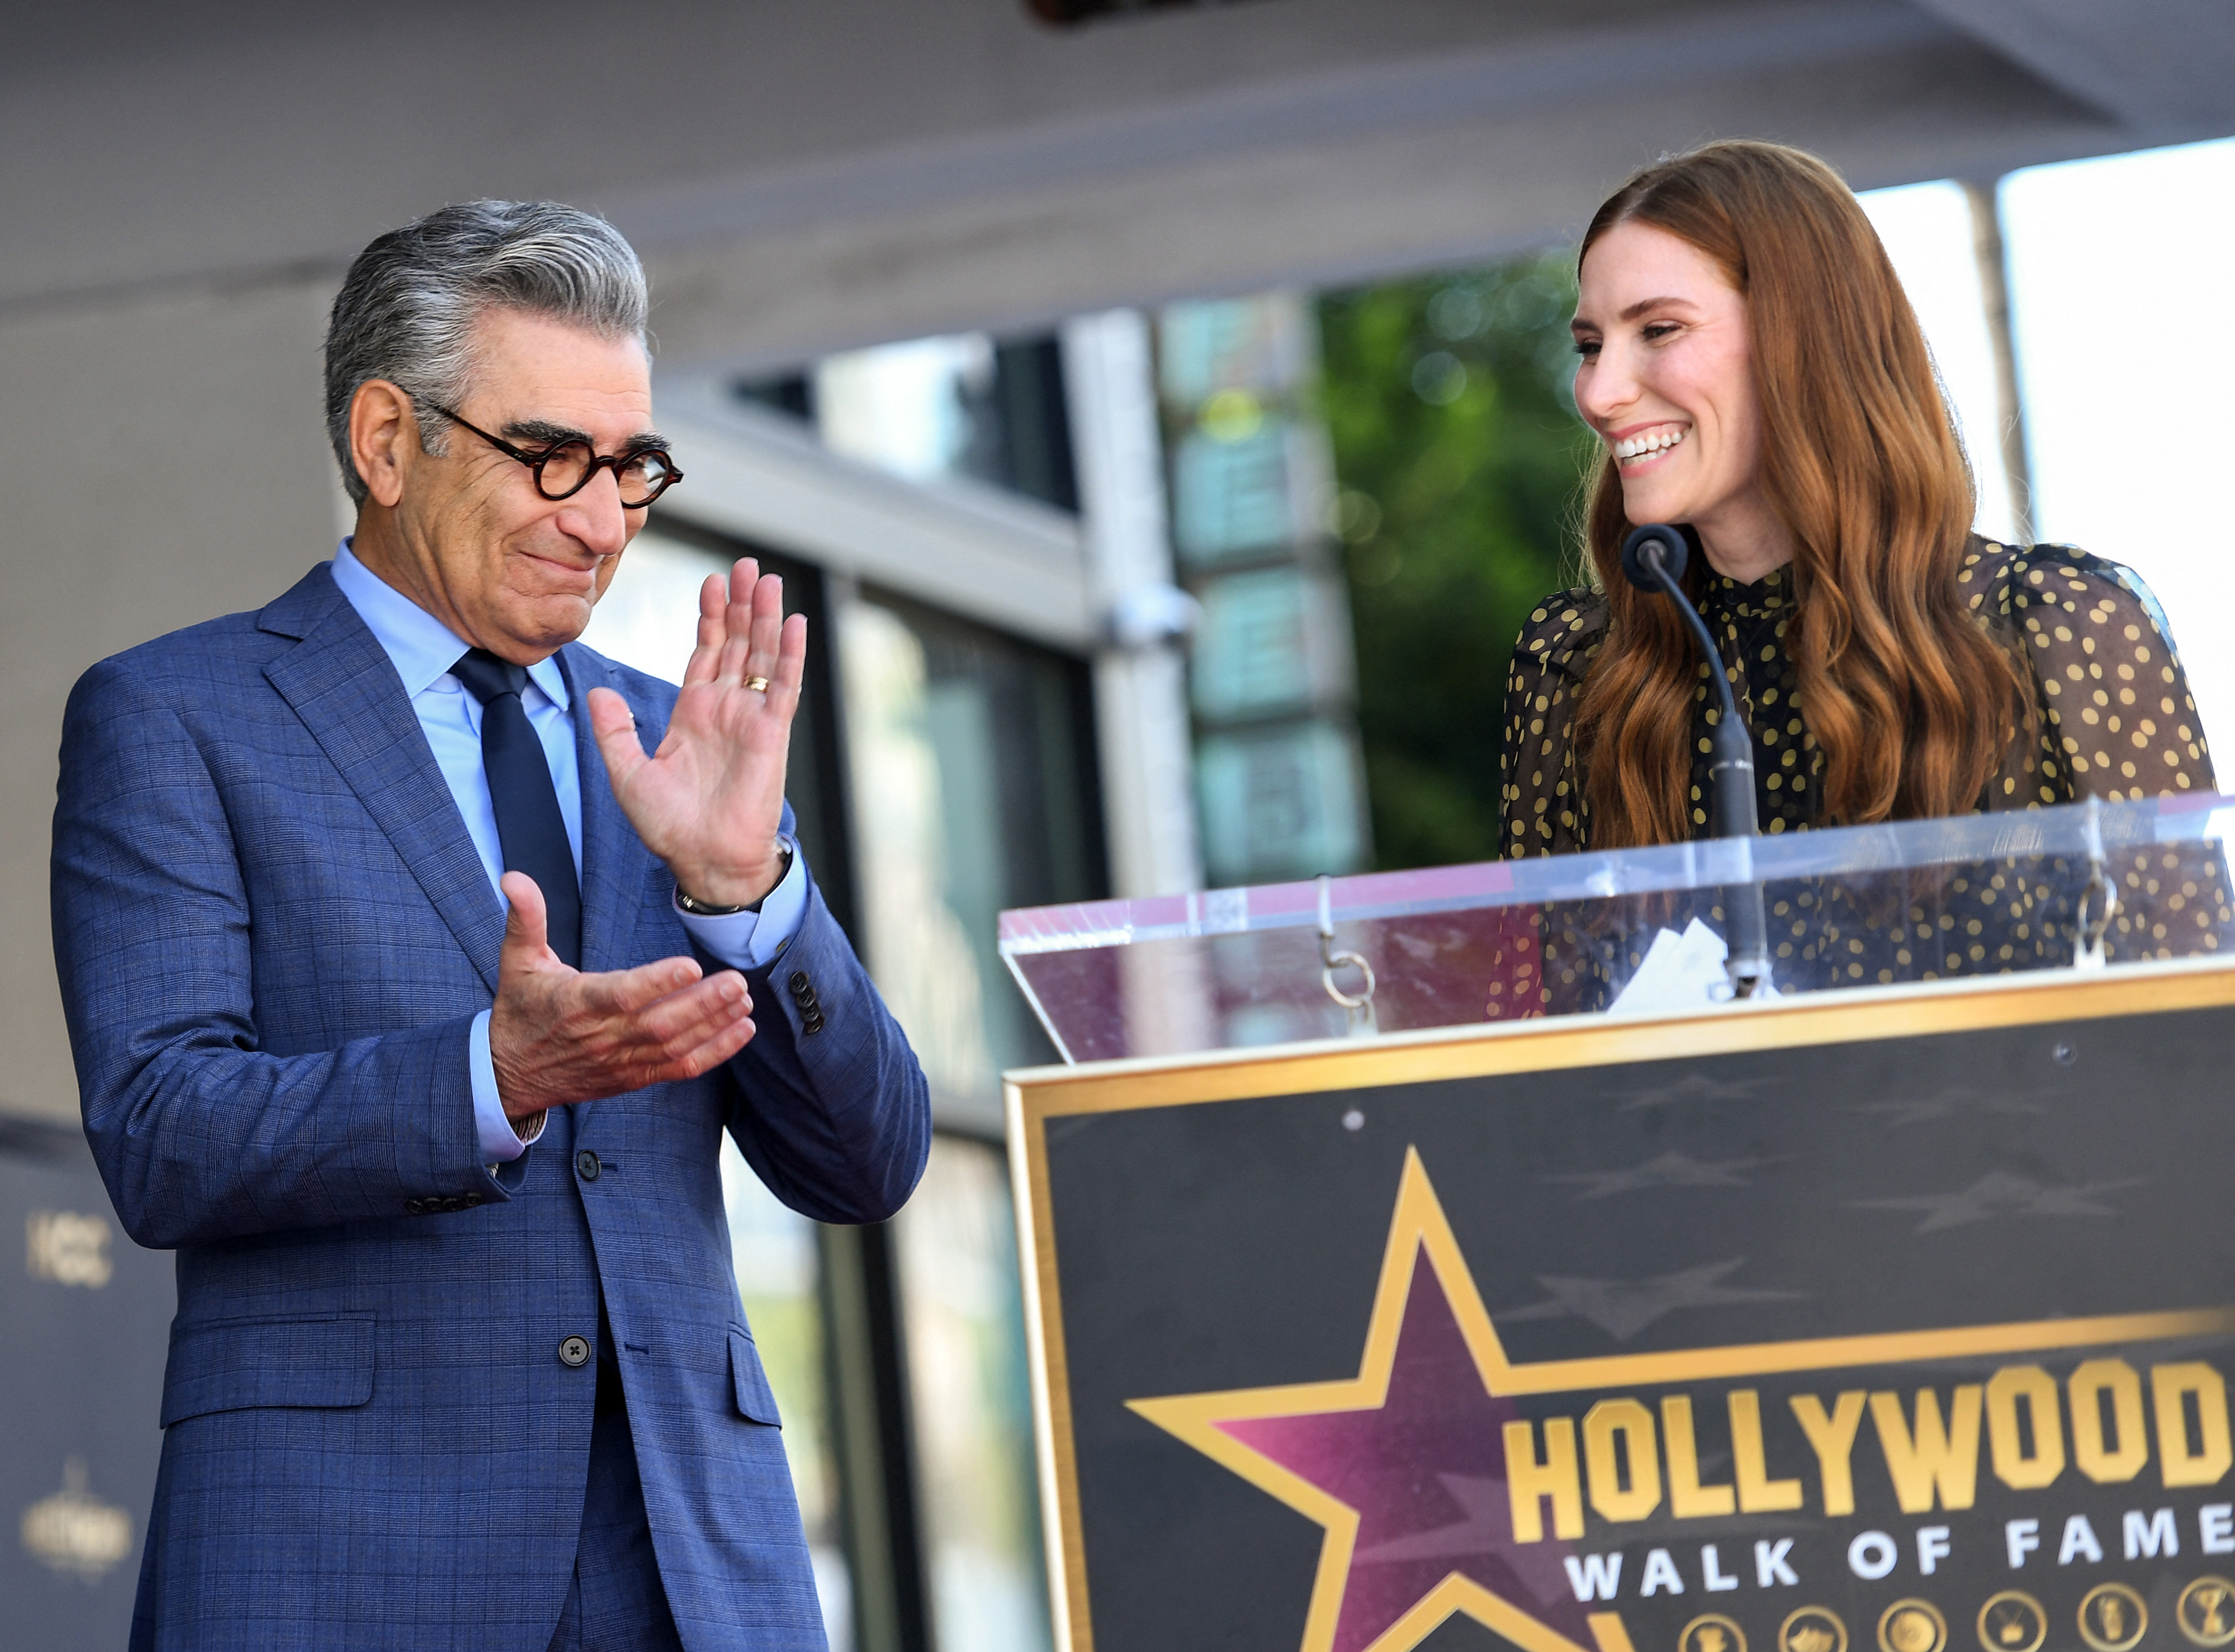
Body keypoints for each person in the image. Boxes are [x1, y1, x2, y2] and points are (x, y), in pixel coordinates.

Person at [51, 200, 930, 1649]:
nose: (601, 519)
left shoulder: (678, 744)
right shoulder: (176, 716)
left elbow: (865, 1163)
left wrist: (745, 896)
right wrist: (491, 1075)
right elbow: (161, 1131)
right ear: (389, 441)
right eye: (550, 457)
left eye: (631, 464)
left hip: (692, 1570)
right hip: (341, 1560)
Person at [1497, 141, 2224, 1001]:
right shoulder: (1578, 668)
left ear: (1805, 339)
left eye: (1658, 331)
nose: (1599, 392)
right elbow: (1536, 1040)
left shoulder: (2056, 627)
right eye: (1589, 345)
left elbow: (2191, 1029)